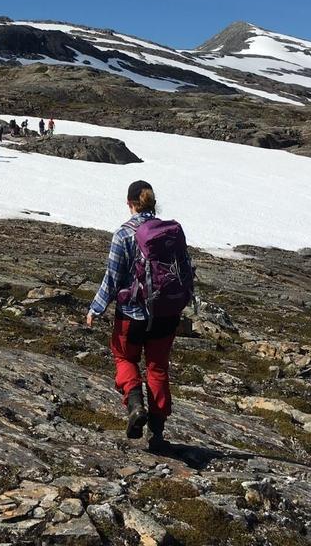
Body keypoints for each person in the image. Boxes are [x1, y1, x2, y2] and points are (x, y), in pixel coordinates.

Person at [86, 181, 195, 451]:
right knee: (157, 368)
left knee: (125, 357)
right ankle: (157, 434)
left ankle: (136, 407)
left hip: (132, 314)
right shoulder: (170, 232)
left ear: (129, 203)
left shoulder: (123, 235)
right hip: (166, 314)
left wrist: (96, 308)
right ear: (152, 202)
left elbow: (112, 278)